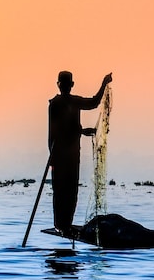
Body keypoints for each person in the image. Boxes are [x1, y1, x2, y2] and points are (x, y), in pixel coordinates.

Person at [48, 70, 113, 233]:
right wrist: (52, 155)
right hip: (60, 156)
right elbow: (55, 132)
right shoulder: (55, 104)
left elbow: (94, 103)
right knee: (61, 192)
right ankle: (60, 225)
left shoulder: (73, 102)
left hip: (71, 156)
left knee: (70, 192)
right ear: (60, 85)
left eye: (66, 84)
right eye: (63, 84)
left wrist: (104, 83)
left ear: (71, 85)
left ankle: (65, 224)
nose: (65, 87)